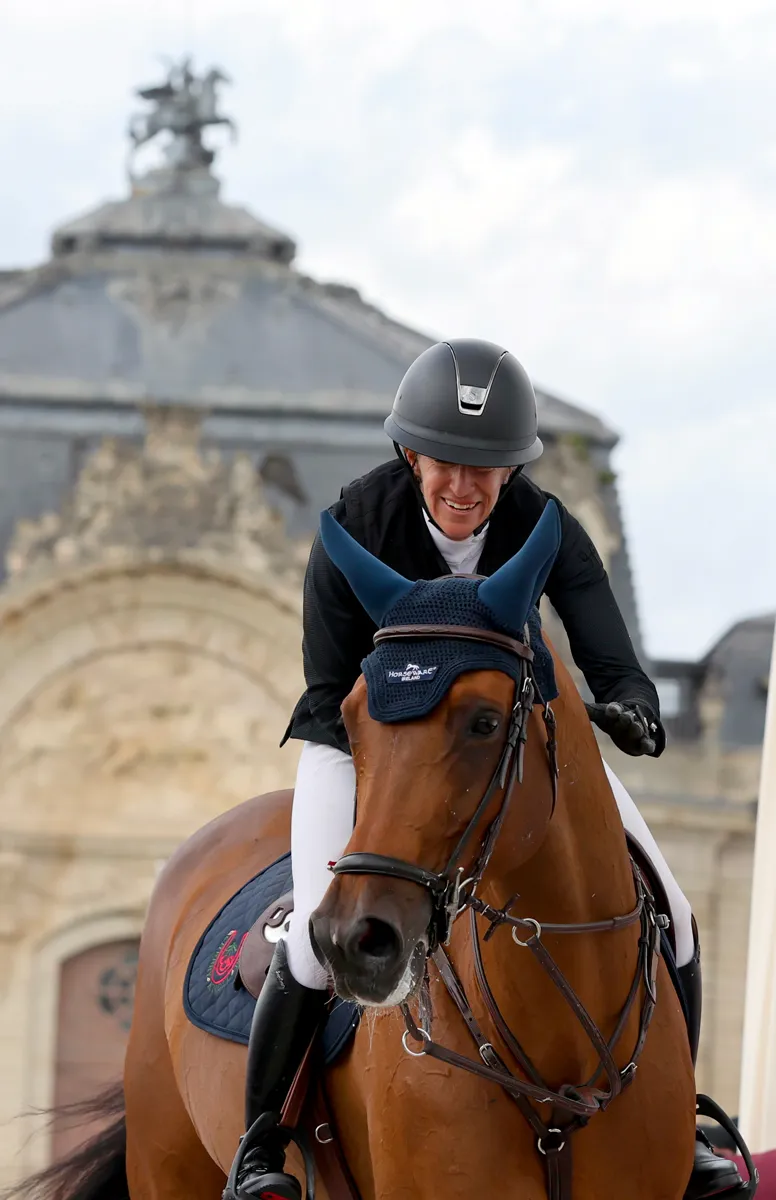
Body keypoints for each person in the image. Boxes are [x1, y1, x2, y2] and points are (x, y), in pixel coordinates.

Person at [225, 340, 743, 1200]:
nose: (465, 488)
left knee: (676, 916)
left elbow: (611, 658)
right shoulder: (355, 524)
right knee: (318, 941)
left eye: (488, 470)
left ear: (511, 472)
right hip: (369, 747)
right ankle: (259, 1147)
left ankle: (677, 1127)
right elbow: (331, 686)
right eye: (447, 465)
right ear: (410, 454)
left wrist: (634, 708)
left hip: (511, 744)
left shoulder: (545, 526)